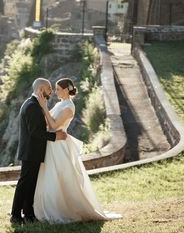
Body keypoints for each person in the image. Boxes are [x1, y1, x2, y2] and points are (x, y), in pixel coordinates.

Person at [34, 78, 122, 223]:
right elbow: (46, 121)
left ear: (66, 90)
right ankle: (45, 206)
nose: (55, 92)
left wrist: (44, 107)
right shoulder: (60, 104)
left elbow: (55, 126)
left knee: (61, 175)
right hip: (52, 143)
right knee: (49, 174)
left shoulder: (69, 107)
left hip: (59, 145)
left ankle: (62, 208)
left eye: (58, 89)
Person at [11, 78, 68, 225]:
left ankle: (28, 214)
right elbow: (35, 132)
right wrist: (55, 136)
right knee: (24, 183)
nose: (51, 92)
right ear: (41, 89)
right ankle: (15, 215)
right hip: (30, 152)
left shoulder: (35, 104)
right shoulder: (32, 106)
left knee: (31, 184)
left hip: (34, 151)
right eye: (49, 88)